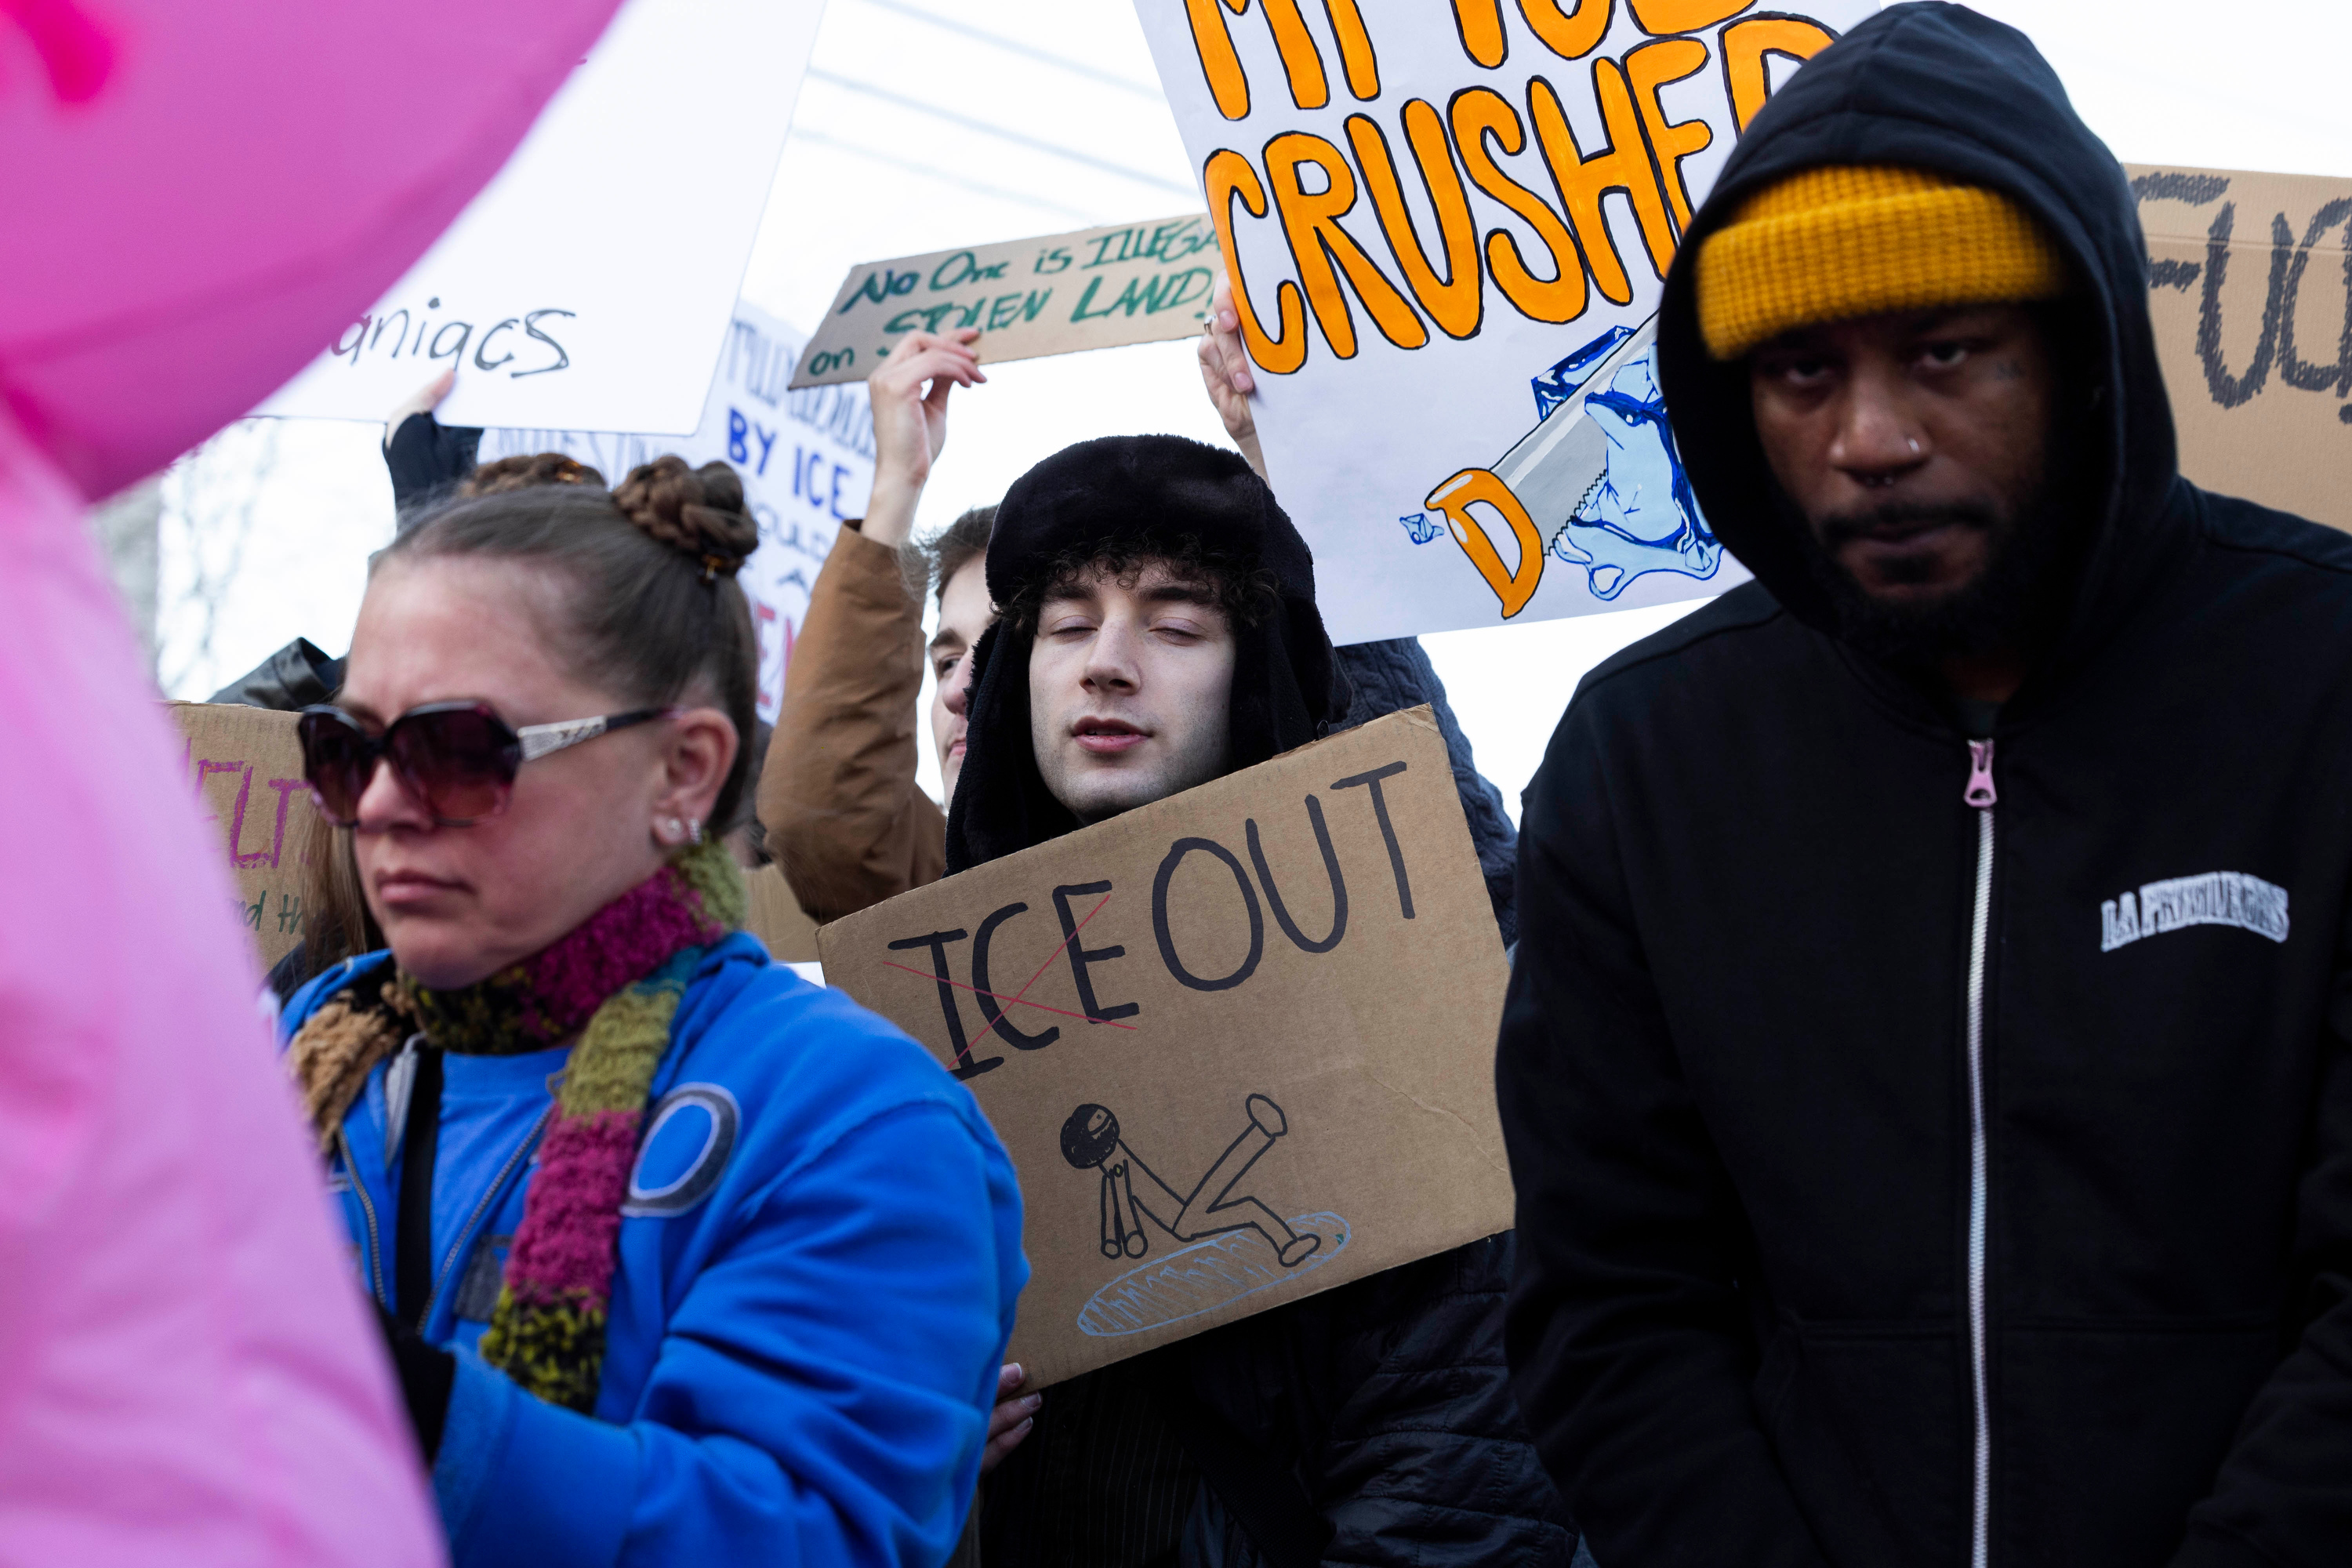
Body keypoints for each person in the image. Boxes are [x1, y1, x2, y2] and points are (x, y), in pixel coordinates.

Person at [1497, 6, 2352, 1566]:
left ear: (2081, 355)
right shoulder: (1648, 758)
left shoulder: (2327, 679)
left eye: (1947, 351)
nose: (1870, 438)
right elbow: (1609, 1302)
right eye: (1801, 371)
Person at [277, 455, 1026, 1564]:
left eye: (455, 749)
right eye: (348, 751)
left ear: (683, 772)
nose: (381, 807)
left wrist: (393, 1406)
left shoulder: (854, 1119)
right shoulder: (285, 1065)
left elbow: (794, 1536)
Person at [946, 434, 1579, 1567]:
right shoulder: (925, 1017)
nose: (1108, 663)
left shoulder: (1400, 1001)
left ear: (1255, 671)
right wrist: (907, 1461)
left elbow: (1457, 1448)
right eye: (1069, 624)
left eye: (1177, 626)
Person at [759, 328, 994, 922]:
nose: (955, 690)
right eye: (945, 660)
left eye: (1002, 652)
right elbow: (826, 811)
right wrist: (899, 481)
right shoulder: (927, 886)